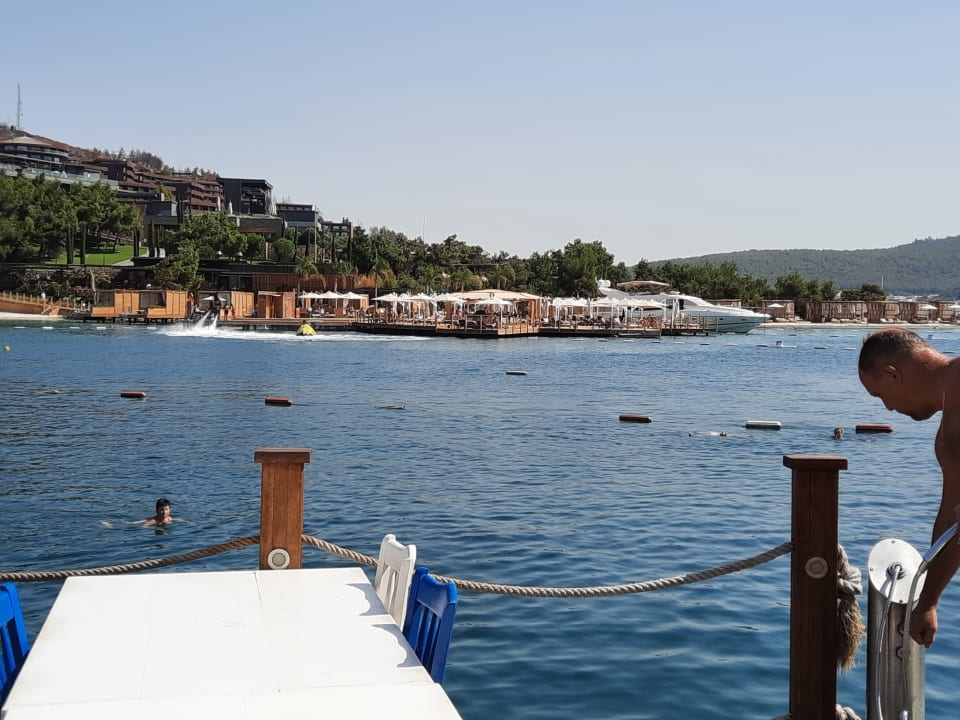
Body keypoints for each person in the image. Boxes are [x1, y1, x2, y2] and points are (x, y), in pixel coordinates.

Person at [858, 328, 960, 648]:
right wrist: (928, 601)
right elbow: (951, 518)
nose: (888, 409)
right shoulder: (946, 438)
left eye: (880, 396)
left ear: (892, 374)